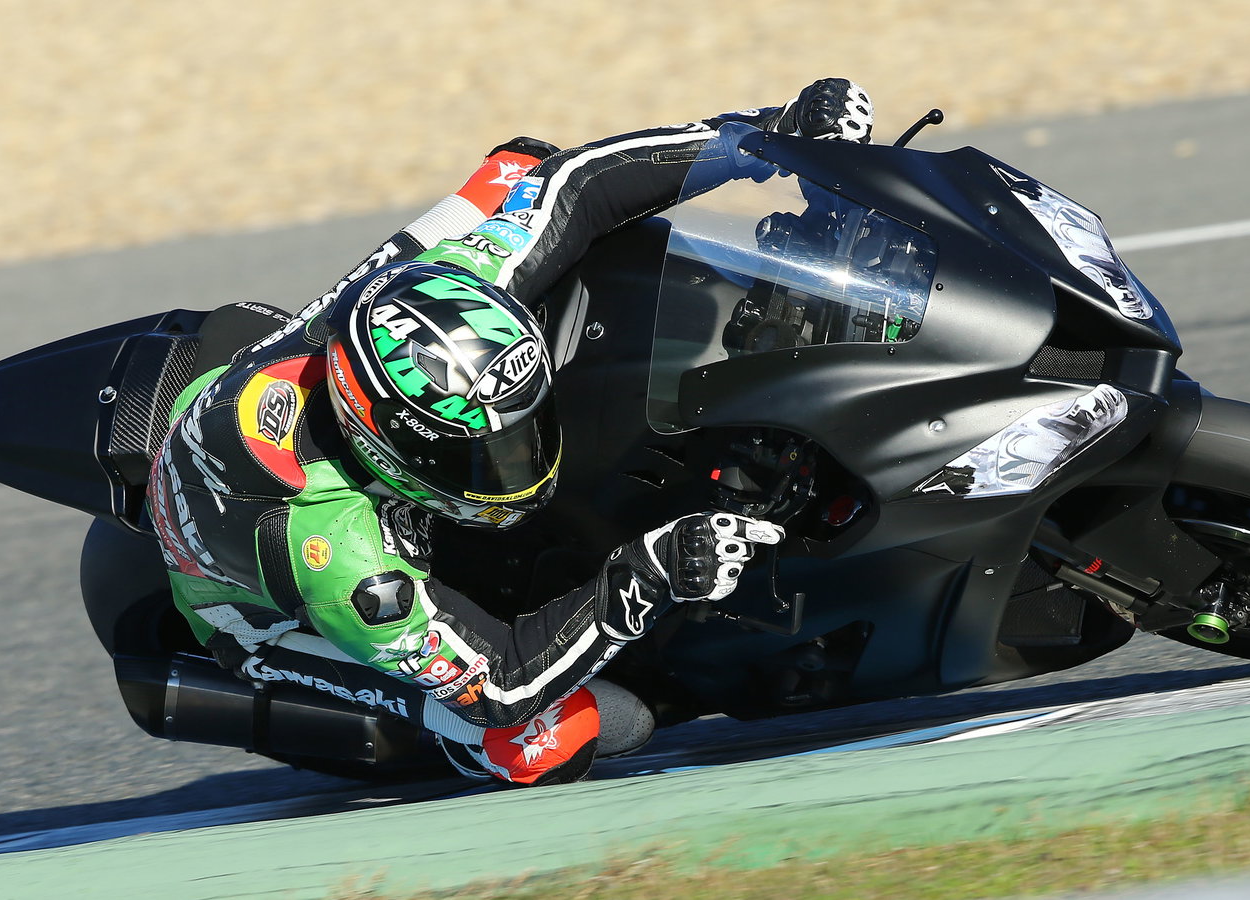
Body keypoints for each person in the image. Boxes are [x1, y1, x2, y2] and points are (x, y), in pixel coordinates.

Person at [146, 79, 876, 785]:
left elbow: (578, 186)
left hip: (280, 377)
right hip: (256, 612)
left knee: (522, 169)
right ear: (393, 450)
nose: (520, 462)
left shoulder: (454, 285)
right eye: (488, 453)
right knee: (548, 736)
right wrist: (646, 575)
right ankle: (460, 748)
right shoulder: (344, 562)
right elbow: (500, 681)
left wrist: (765, 133)